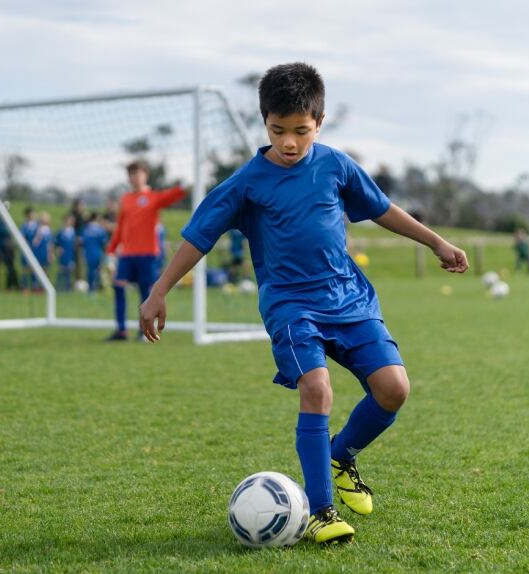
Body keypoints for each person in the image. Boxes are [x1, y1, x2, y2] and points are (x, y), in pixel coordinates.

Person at [139, 63, 468, 543]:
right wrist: (160, 290)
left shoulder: (335, 165)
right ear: (264, 122)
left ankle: (340, 455)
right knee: (317, 389)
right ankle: (321, 512)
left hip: (349, 299)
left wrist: (436, 243)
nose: (289, 142)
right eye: (278, 131)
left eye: (301, 131)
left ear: (320, 121)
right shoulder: (248, 182)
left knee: (394, 388)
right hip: (292, 307)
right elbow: (198, 237)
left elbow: (382, 210)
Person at [106, 160, 187, 341]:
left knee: (146, 293)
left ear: (145, 175)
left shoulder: (153, 197)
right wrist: (111, 250)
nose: (134, 177)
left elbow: (172, 196)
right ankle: (121, 330)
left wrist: (186, 185)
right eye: (131, 174)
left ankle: (144, 332)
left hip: (148, 254)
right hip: (127, 254)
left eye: (137, 173)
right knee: (118, 286)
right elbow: (120, 227)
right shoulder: (126, 199)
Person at [0, 205, 19, 290]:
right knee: (2, 267)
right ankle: (6, 286)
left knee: (11, 267)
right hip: (1, 248)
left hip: (8, 248)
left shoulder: (7, 221)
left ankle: (11, 286)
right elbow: (3, 232)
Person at [81, 212, 108, 292]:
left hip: (87, 253)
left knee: (89, 270)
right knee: (96, 270)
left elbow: (82, 241)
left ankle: (90, 288)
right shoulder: (100, 230)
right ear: (96, 218)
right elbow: (104, 242)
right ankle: (95, 287)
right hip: (97, 253)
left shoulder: (86, 229)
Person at [31, 212, 53, 291]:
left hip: (45, 253)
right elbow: (35, 242)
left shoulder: (48, 230)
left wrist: (50, 254)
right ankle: (35, 287)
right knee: (36, 270)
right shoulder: (37, 229)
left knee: (45, 270)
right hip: (38, 253)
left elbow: (50, 243)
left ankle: (44, 287)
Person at [55, 214, 77, 291]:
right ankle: (59, 286)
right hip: (63, 254)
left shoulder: (73, 231)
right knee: (61, 270)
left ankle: (68, 287)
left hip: (70, 254)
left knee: (69, 271)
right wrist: (58, 248)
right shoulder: (61, 231)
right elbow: (56, 241)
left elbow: (75, 243)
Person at [20, 206, 39, 290]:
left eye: (34, 213)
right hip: (27, 250)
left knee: (35, 268)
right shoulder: (24, 226)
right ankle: (24, 286)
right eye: (31, 214)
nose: (33, 215)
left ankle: (35, 286)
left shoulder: (38, 226)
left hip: (36, 250)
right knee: (25, 268)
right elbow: (22, 236)